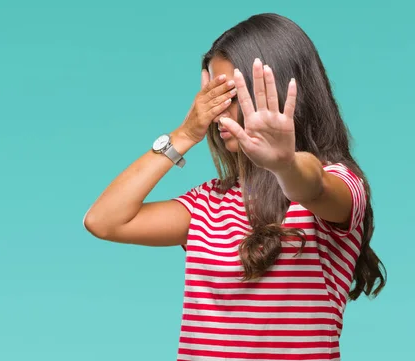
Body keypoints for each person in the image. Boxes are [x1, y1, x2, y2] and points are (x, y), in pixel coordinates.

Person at [82, 13, 386, 361]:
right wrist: (184, 135)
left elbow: (312, 185)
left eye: (229, 92)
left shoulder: (341, 183)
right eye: (210, 95)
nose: (216, 111)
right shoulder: (206, 204)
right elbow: (104, 221)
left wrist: (284, 163)